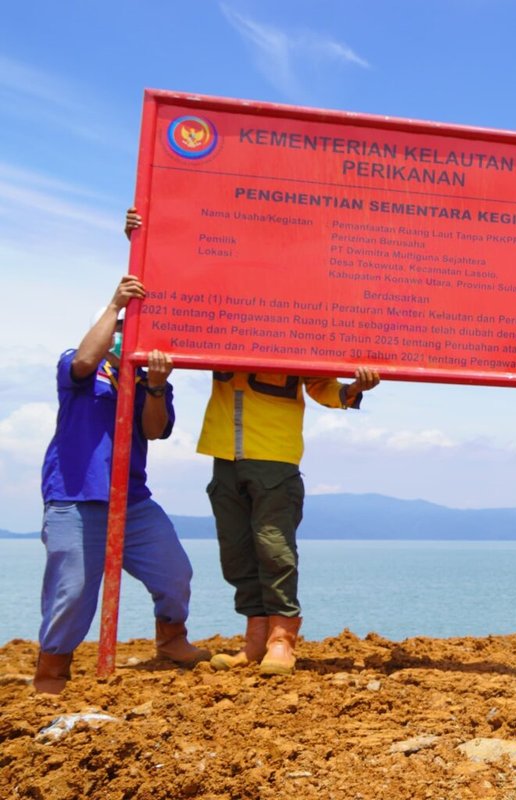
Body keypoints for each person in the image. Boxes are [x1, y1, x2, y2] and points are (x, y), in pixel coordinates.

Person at [125, 208, 380, 677]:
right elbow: (172, 291)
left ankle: (284, 639)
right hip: (225, 453)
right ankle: (255, 640)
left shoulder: (307, 325)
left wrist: (356, 388)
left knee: (274, 549)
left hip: (275, 457)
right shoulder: (224, 312)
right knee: (237, 549)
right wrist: (145, 242)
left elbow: (325, 389)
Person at [34, 275, 208, 694]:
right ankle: (53, 671)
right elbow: (81, 363)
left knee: (174, 572)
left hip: (131, 500)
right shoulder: (78, 365)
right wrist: (114, 306)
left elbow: (153, 429)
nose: (121, 337)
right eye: (117, 329)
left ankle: (171, 640)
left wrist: (156, 385)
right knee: (71, 590)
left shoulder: (148, 378)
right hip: (75, 498)